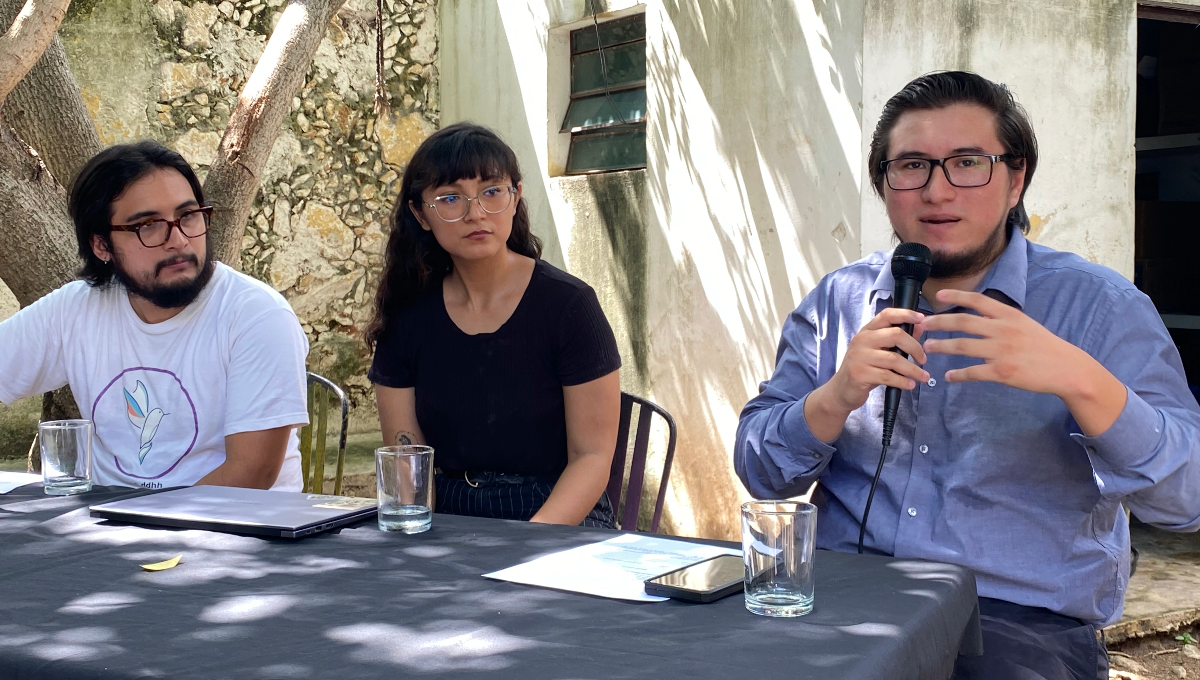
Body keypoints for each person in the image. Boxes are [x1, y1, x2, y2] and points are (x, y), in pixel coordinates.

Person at [734, 71, 1200, 679]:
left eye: (968, 163)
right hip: (843, 602)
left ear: (1016, 180)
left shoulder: (1101, 309)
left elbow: (1185, 502)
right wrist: (834, 397)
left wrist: (1083, 381)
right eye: (912, 166)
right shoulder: (837, 302)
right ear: (884, 184)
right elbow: (761, 474)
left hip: (1017, 622)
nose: (937, 190)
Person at [0, 141, 310, 491]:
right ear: (101, 245)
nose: (177, 239)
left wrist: (134, 524)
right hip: (107, 530)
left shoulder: (256, 316)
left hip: (233, 533)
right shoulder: (77, 309)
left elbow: (250, 475)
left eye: (188, 216)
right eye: (148, 225)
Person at [367, 122, 621, 528]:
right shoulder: (408, 315)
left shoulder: (569, 306)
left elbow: (591, 458)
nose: (476, 214)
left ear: (516, 196)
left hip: (557, 516)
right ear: (421, 213)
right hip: (447, 516)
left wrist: (525, 546)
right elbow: (406, 462)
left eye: (491, 192)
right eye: (451, 198)